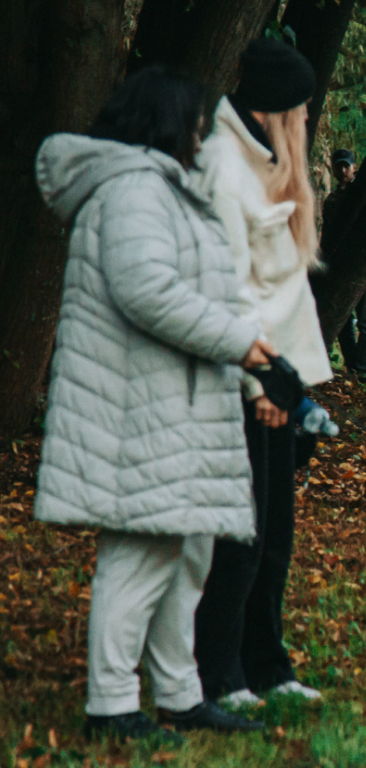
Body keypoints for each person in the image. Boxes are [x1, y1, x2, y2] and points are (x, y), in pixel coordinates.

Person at [33, 66, 272, 740]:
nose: (202, 133)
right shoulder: (135, 190)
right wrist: (244, 344)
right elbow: (148, 291)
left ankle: (179, 692)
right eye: (196, 120)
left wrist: (253, 371)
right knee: (140, 558)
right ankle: (109, 706)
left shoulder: (162, 190)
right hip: (137, 409)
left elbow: (200, 295)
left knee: (186, 553)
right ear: (168, 121)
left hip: (175, 405)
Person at [194, 38, 335, 708]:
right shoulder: (224, 166)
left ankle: (267, 664)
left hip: (281, 378)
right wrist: (260, 385)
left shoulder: (264, 162)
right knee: (241, 534)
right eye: (302, 107)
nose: (306, 118)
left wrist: (293, 384)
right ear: (282, 108)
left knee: (275, 531)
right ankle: (220, 672)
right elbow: (229, 288)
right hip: (252, 382)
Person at [331, 148, 366, 381]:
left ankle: (365, 370)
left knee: (365, 320)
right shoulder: (332, 200)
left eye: (347, 166)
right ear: (333, 169)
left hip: (364, 266)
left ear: (354, 167)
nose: (343, 170)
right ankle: (352, 366)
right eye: (339, 166)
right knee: (344, 320)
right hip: (340, 266)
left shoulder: (364, 195)